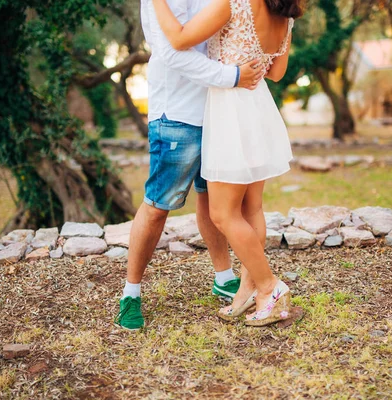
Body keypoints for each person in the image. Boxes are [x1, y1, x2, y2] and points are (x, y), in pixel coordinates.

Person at [114, 0, 267, 330]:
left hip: (219, 109)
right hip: (178, 114)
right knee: (157, 206)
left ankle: (224, 277)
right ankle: (131, 294)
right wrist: (233, 76)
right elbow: (171, 51)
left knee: (211, 199)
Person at [152, 0, 303, 326]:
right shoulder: (285, 15)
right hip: (259, 107)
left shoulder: (233, 4)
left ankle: (269, 287)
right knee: (252, 209)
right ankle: (247, 291)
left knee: (222, 213)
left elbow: (178, 40)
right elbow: (276, 73)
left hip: (230, 111)